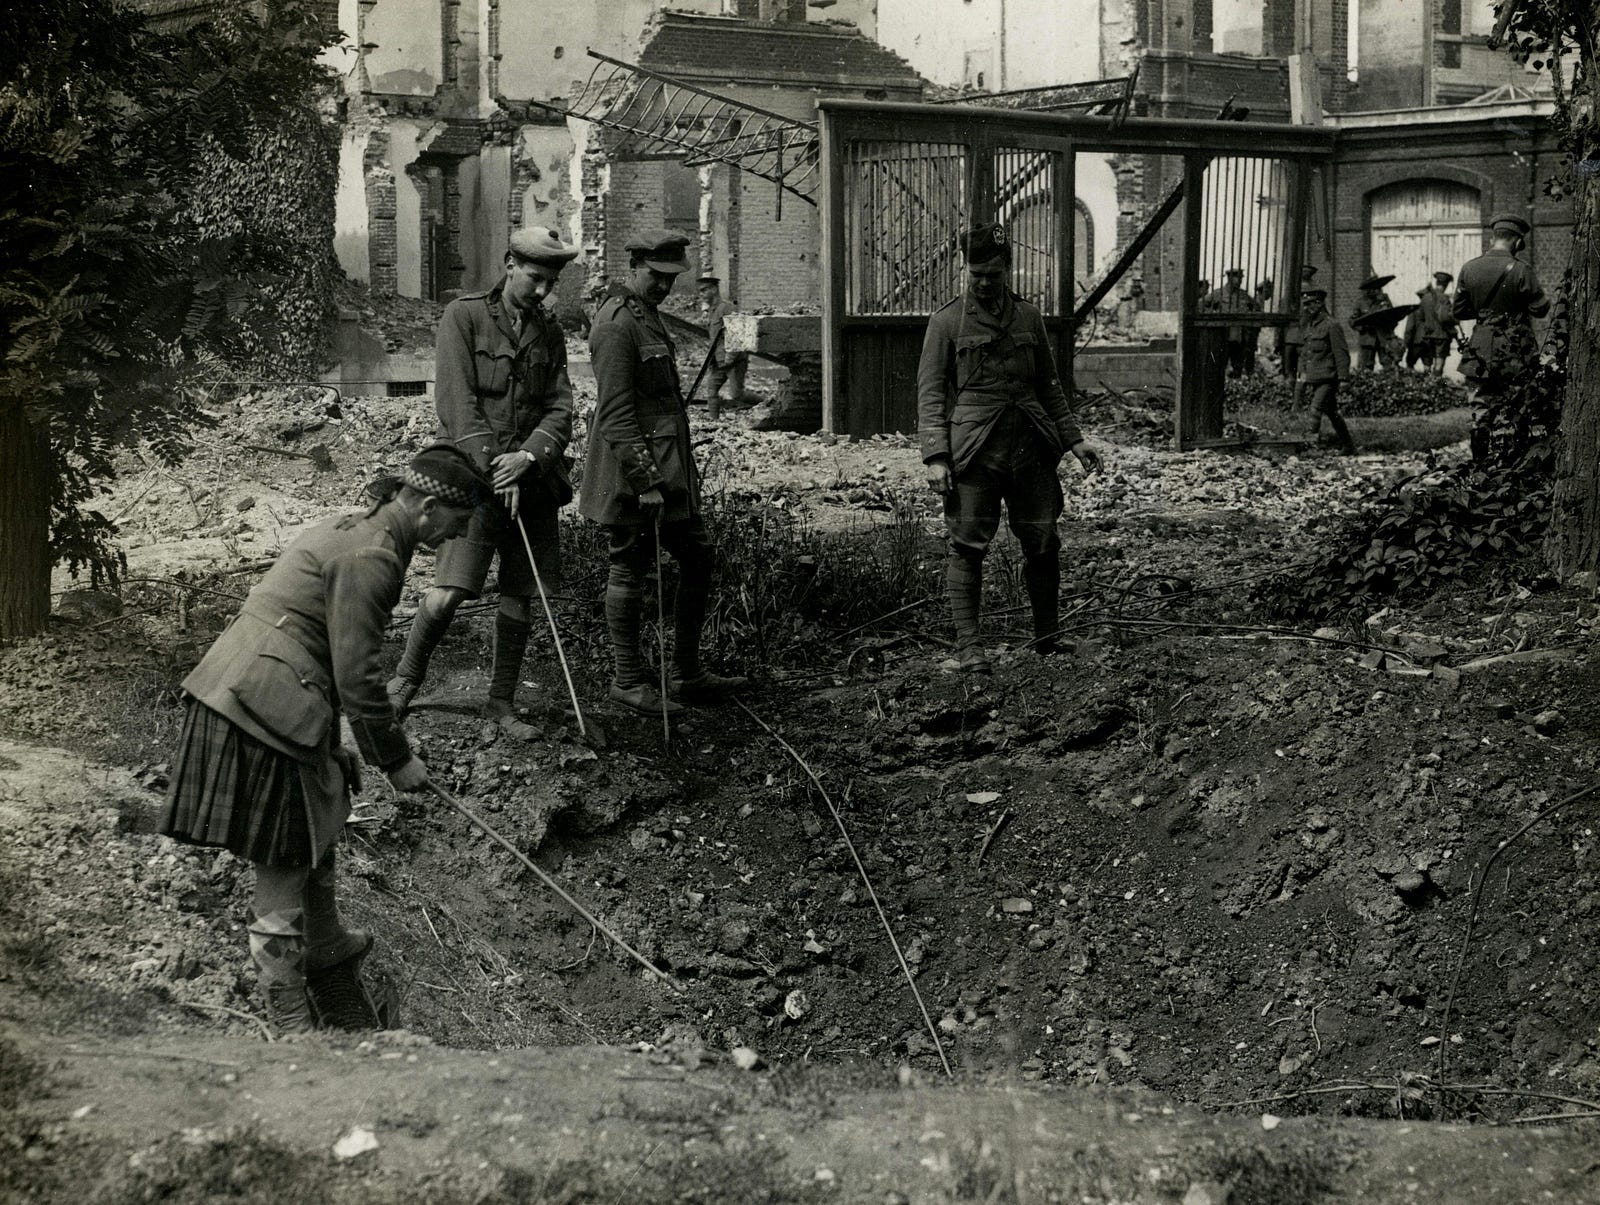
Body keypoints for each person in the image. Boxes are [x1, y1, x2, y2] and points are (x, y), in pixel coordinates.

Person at [161, 446, 489, 1035]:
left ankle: (328, 942)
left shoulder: (357, 528)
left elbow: (331, 653)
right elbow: (358, 676)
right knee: (283, 866)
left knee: (319, 809)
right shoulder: (373, 556)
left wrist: (336, 746)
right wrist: (396, 760)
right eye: (458, 521)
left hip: (260, 688)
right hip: (260, 704)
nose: (459, 535)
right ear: (427, 508)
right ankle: (289, 1015)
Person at [387, 227, 579, 740]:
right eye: (535, 278)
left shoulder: (549, 330)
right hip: (473, 482)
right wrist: (497, 466)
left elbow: (561, 406)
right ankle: (405, 680)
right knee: (448, 593)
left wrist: (529, 458)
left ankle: (501, 701)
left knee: (521, 594)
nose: (543, 291)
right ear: (509, 263)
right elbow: (456, 402)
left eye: (551, 282)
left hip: (533, 482)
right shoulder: (464, 316)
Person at [917, 221, 1100, 674]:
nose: (984, 283)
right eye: (976, 274)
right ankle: (970, 650)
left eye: (993, 274)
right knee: (967, 544)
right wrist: (936, 456)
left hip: (1031, 448)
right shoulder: (946, 322)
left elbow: (1049, 385)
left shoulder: (1029, 317)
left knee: (1043, 539)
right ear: (965, 270)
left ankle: (1047, 638)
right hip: (975, 451)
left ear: (1007, 269)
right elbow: (931, 393)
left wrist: (1074, 439)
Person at [580, 229, 747, 714]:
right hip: (635, 475)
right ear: (634, 266)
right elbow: (615, 413)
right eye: (655, 275)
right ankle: (627, 681)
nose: (663, 286)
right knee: (629, 566)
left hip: (666, 468)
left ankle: (686, 673)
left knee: (698, 557)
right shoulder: (616, 324)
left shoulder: (646, 316)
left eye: (671, 278)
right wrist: (645, 481)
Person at [1453, 213, 1549, 399]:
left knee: (1480, 402)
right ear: (1518, 242)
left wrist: (1484, 313)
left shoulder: (1468, 268)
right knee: (1517, 401)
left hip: (1480, 346)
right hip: (1515, 346)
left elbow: (1459, 311)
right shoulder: (1521, 269)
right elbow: (1540, 309)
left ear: (1493, 238)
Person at [1298, 288, 1356, 454]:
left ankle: (1310, 446)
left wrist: (1344, 378)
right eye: (1304, 304)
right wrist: (1302, 374)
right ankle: (1348, 446)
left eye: (1309, 304)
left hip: (1328, 378)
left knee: (1315, 410)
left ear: (1319, 304)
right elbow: (1306, 353)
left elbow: (1341, 353)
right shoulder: (1310, 326)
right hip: (1315, 377)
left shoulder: (1332, 325)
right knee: (1331, 412)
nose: (1306, 308)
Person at [696, 274, 750, 419]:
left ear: (714, 289)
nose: (701, 294)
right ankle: (714, 421)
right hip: (719, 360)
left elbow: (737, 334)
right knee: (711, 390)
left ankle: (768, 404)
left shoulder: (727, 308)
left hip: (734, 360)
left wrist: (730, 358)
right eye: (700, 291)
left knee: (737, 394)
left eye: (704, 290)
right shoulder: (712, 310)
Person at [1202, 267, 1260, 377]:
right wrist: (1213, 315)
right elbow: (1202, 305)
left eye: (1241, 278)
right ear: (1230, 278)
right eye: (1238, 278)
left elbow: (1256, 307)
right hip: (1223, 335)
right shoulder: (1218, 293)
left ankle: (1235, 384)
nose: (1241, 280)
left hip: (1239, 336)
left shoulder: (1243, 295)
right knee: (1219, 366)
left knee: (1237, 366)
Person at [1404, 271, 1458, 375]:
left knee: (1428, 362)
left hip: (1428, 335)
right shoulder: (1444, 298)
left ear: (1437, 282)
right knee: (1439, 362)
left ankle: (1428, 382)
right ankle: (1436, 380)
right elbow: (1446, 318)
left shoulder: (1425, 298)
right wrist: (1455, 321)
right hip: (1442, 335)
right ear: (1446, 284)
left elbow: (1421, 318)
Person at [1350, 273, 1404, 372]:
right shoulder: (1361, 302)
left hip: (1383, 339)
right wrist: (1363, 326)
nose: (1376, 290)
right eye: (1373, 287)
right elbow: (1352, 321)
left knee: (1388, 366)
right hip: (1368, 339)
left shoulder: (1384, 300)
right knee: (1366, 368)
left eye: (1378, 287)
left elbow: (1393, 317)